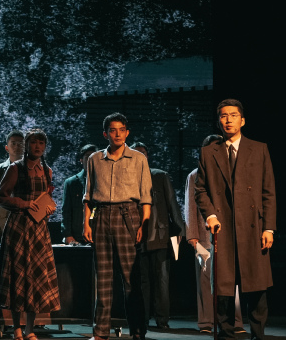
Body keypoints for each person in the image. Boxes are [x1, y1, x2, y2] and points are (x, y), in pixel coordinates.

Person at [195, 99, 276, 340]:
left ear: (242, 120)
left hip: (253, 229)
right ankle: (226, 336)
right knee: (224, 290)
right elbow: (200, 190)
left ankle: (258, 335)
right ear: (218, 121)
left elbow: (268, 192)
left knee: (256, 288)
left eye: (233, 115)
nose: (228, 119)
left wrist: (269, 228)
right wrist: (210, 215)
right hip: (224, 229)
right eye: (223, 115)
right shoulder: (209, 152)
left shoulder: (259, 149)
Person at [83, 112, 152, 340]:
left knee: (131, 280)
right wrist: (86, 223)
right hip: (101, 216)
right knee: (103, 279)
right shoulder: (95, 159)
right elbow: (88, 196)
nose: (118, 134)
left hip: (128, 216)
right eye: (112, 130)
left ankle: (138, 331)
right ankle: (100, 332)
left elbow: (146, 196)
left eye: (121, 130)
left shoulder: (138, 159)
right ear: (105, 134)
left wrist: (143, 224)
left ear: (127, 132)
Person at [0, 128, 60, 340]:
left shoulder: (47, 170)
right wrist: (24, 203)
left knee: (36, 279)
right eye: (33, 142)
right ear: (27, 145)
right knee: (17, 277)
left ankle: (30, 329)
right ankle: (17, 329)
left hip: (39, 229)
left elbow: (45, 197)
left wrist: (49, 207)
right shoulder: (15, 168)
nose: (37, 146)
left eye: (41, 143)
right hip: (19, 228)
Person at [185, 135, 245, 334]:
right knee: (206, 282)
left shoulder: (232, 172)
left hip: (230, 236)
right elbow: (190, 208)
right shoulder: (195, 175)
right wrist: (193, 238)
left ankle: (235, 322)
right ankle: (206, 322)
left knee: (233, 282)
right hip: (205, 238)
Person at [130, 142, 185, 330]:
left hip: (160, 236)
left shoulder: (160, 175)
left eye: (143, 153)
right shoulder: (128, 177)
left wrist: (179, 229)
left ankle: (162, 320)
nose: (140, 156)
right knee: (142, 281)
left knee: (161, 280)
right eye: (136, 153)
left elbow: (172, 203)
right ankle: (143, 319)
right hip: (137, 237)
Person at [0, 130, 25, 242]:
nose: (17, 146)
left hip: (25, 224)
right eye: (13, 143)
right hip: (3, 225)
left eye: (20, 143)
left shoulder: (31, 170)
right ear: (7, 148)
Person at [61, 144, 98, 245]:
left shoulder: (104, 181)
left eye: (93, 157)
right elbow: (66, 211)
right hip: (77, 235)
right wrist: (67, 234)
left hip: (99, 234)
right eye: (87, 157)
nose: (90, 160)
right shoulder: (71, 183)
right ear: (81, 159)